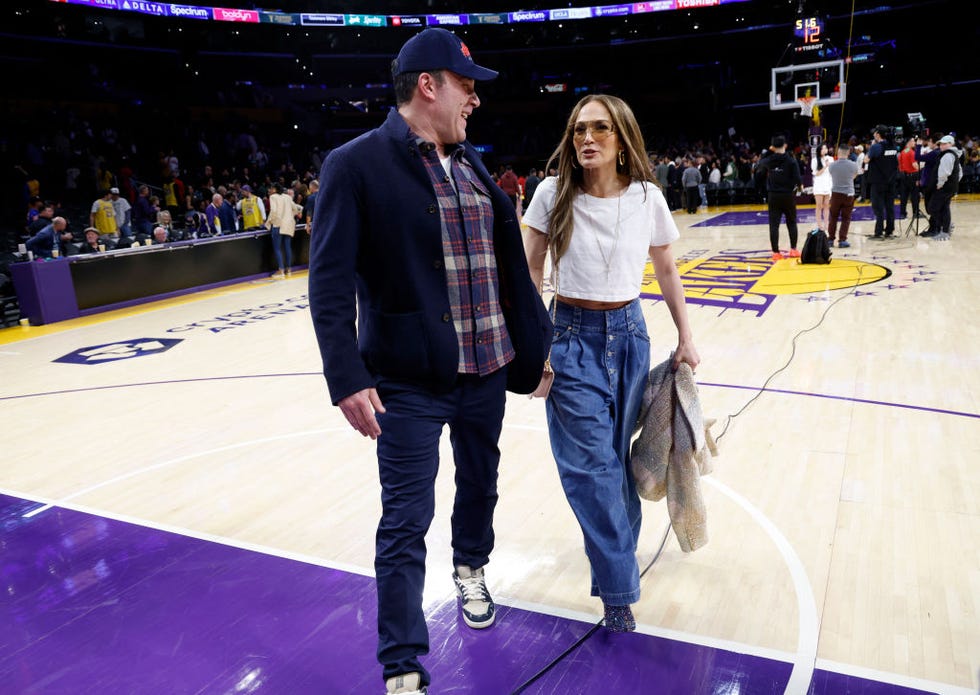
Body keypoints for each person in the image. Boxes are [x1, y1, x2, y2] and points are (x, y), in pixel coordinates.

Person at [306, 28, 550, 695]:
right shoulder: (355, 164)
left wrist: (537, 350)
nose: (475, 99)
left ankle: (471, 565)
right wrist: (345, 375)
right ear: (428, 85)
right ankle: (404, 664)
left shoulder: (470, 164)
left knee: (481, 485)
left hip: (487, 369)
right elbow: (327, 284)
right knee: (404, 521)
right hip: (407, 383)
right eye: (467, 85)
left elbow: (509, 273)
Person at [522, 94, 700, 636]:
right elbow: (530, 270)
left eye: (599, 129)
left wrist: (686, 336)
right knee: (591, 470)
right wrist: (538, 350)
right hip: (569, 336)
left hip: (630, 337)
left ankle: (616, 550)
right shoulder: (551, 193)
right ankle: (620, 591)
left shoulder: (647, 196)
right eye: (579, 131)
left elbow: (667, 271)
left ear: (621, 138)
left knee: (615, 458)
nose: (587, 139)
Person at [755, 135, 802, 260]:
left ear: (773, 147)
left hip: (773, 196)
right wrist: (799, 187)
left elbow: (760, 163)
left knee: (774, 224)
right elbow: (798, 179)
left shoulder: (769, 160)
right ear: (785, 145)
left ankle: (776, 252)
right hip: (788, 195)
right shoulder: (791, 161)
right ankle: (793, 249)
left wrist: (770, 151)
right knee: (791, 222)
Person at [922, 134, 962, 239]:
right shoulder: (954, 154)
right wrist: (954, 182)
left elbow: (944, 172)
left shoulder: (948, 155)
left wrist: (940, 184)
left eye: (945, 144)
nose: (942, 146)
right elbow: (960, 172)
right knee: (944, 207)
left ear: (951, 144)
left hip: (944, 187)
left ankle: (945, 228)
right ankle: (945, 229)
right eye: (941, 144)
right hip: (950, 187)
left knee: (933, 208)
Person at [866, 125, 899, 239]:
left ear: (878, 134)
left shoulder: (876, 147)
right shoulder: (893, 146)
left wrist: (871, 147)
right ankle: (889, 230)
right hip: (891, 181)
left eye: (875, 132)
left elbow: (866, 160)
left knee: (878, 207)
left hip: (878, 181)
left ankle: (878, 232)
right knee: (890, 207)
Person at [266, 183, 303, 278]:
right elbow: (297, 208)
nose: (270, 191)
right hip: (288, 225)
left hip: (278, 224)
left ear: (274, 189)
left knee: (277, 248)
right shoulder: (287, 197)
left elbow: (273, 211)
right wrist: (290, 216)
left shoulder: (273, 197)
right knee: (287, 247)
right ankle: (289, 269)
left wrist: (268, 222)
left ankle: (281, 270)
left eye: (271, 188)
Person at [827, 144, 860, 248]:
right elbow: (854, 176)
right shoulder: (854, 165)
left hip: (836, 193)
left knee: (833, 217)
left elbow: (832, 175)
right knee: (846, 218)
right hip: (849, 194)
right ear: (848, 153)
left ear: (838, 152)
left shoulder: (832, 165)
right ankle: (842, 240)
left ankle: (830, 240)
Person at [897, 136, 922, 219]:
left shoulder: (902, 152)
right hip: (913, 176)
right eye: (912, 141)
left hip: (904, 176)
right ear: (908, 142)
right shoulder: (912, 152)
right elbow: (915, 165)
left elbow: (900, 166)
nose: (914, 142)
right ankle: (916, 213)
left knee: (904, 196)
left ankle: (902, 214)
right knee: (915, 195)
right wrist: (923, 166)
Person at [811, 143, 833, 231]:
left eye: (826, 148)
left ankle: (826, 224)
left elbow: (832, 171)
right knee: (819, 206)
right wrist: (825, 166)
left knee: (827, 206)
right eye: (823, 148)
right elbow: (817, 173)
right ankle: (819, 225)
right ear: (819, 150)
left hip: (828, 184)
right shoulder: (815, 160)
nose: (825, 150)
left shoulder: (830, 159)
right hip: (819, 185)